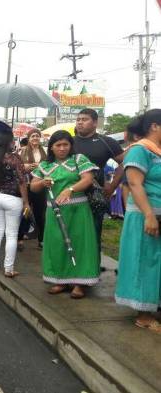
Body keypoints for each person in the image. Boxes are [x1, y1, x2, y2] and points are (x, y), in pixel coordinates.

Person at [30, 131, 100, 299]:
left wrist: (70, 189)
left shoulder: (79, 160)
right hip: (54, 211)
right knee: (57, 244)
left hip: (78, 210)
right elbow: (33, 187)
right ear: (51, 147)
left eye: (65, 145)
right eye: (58, 145)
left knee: (80, 244)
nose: (62, 148)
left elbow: (87, 179)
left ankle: (79, 283)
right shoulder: (45, 166)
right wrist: (42, 182)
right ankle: (60, 279)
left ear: (70, 146)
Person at [115, 110, 161, 333]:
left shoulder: (157, 152)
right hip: (146, 214)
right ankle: (143, 315)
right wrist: (149, 215)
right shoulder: (139, 150)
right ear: (154, 126)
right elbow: (134, 184)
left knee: (157, 261)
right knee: (145, 260)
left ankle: (153, 303)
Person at [74, 108, 125, 256]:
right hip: (70, 193)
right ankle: (71, 271)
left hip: (95, 196)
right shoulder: (68, 142)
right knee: (72, 233)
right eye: (78, 120)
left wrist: (113, 185)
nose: (80, 122)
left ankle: (92, 270)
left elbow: (124, 162)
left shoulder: (106, 141)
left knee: (93, 232)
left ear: (95, 123)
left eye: (84, 119)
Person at [0, 132, 29, 277]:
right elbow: (22, 181)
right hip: (12, 199)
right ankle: (9, 269)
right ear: (9, 143)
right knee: (11, 235)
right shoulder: (15, 158)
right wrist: (26, 202)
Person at [20, 128, 48, 248]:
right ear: (29, 138)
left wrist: (41, 166)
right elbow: (18, 167)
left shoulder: (45, 151)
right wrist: (25, 166)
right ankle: (20, 238)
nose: (35, 138)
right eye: (33, 136)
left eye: (37, 136)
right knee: (25, 211)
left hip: (40, 186)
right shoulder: (23, 151)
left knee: (40, 213)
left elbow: (50, 165)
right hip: (26, 185)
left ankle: (41, 239)